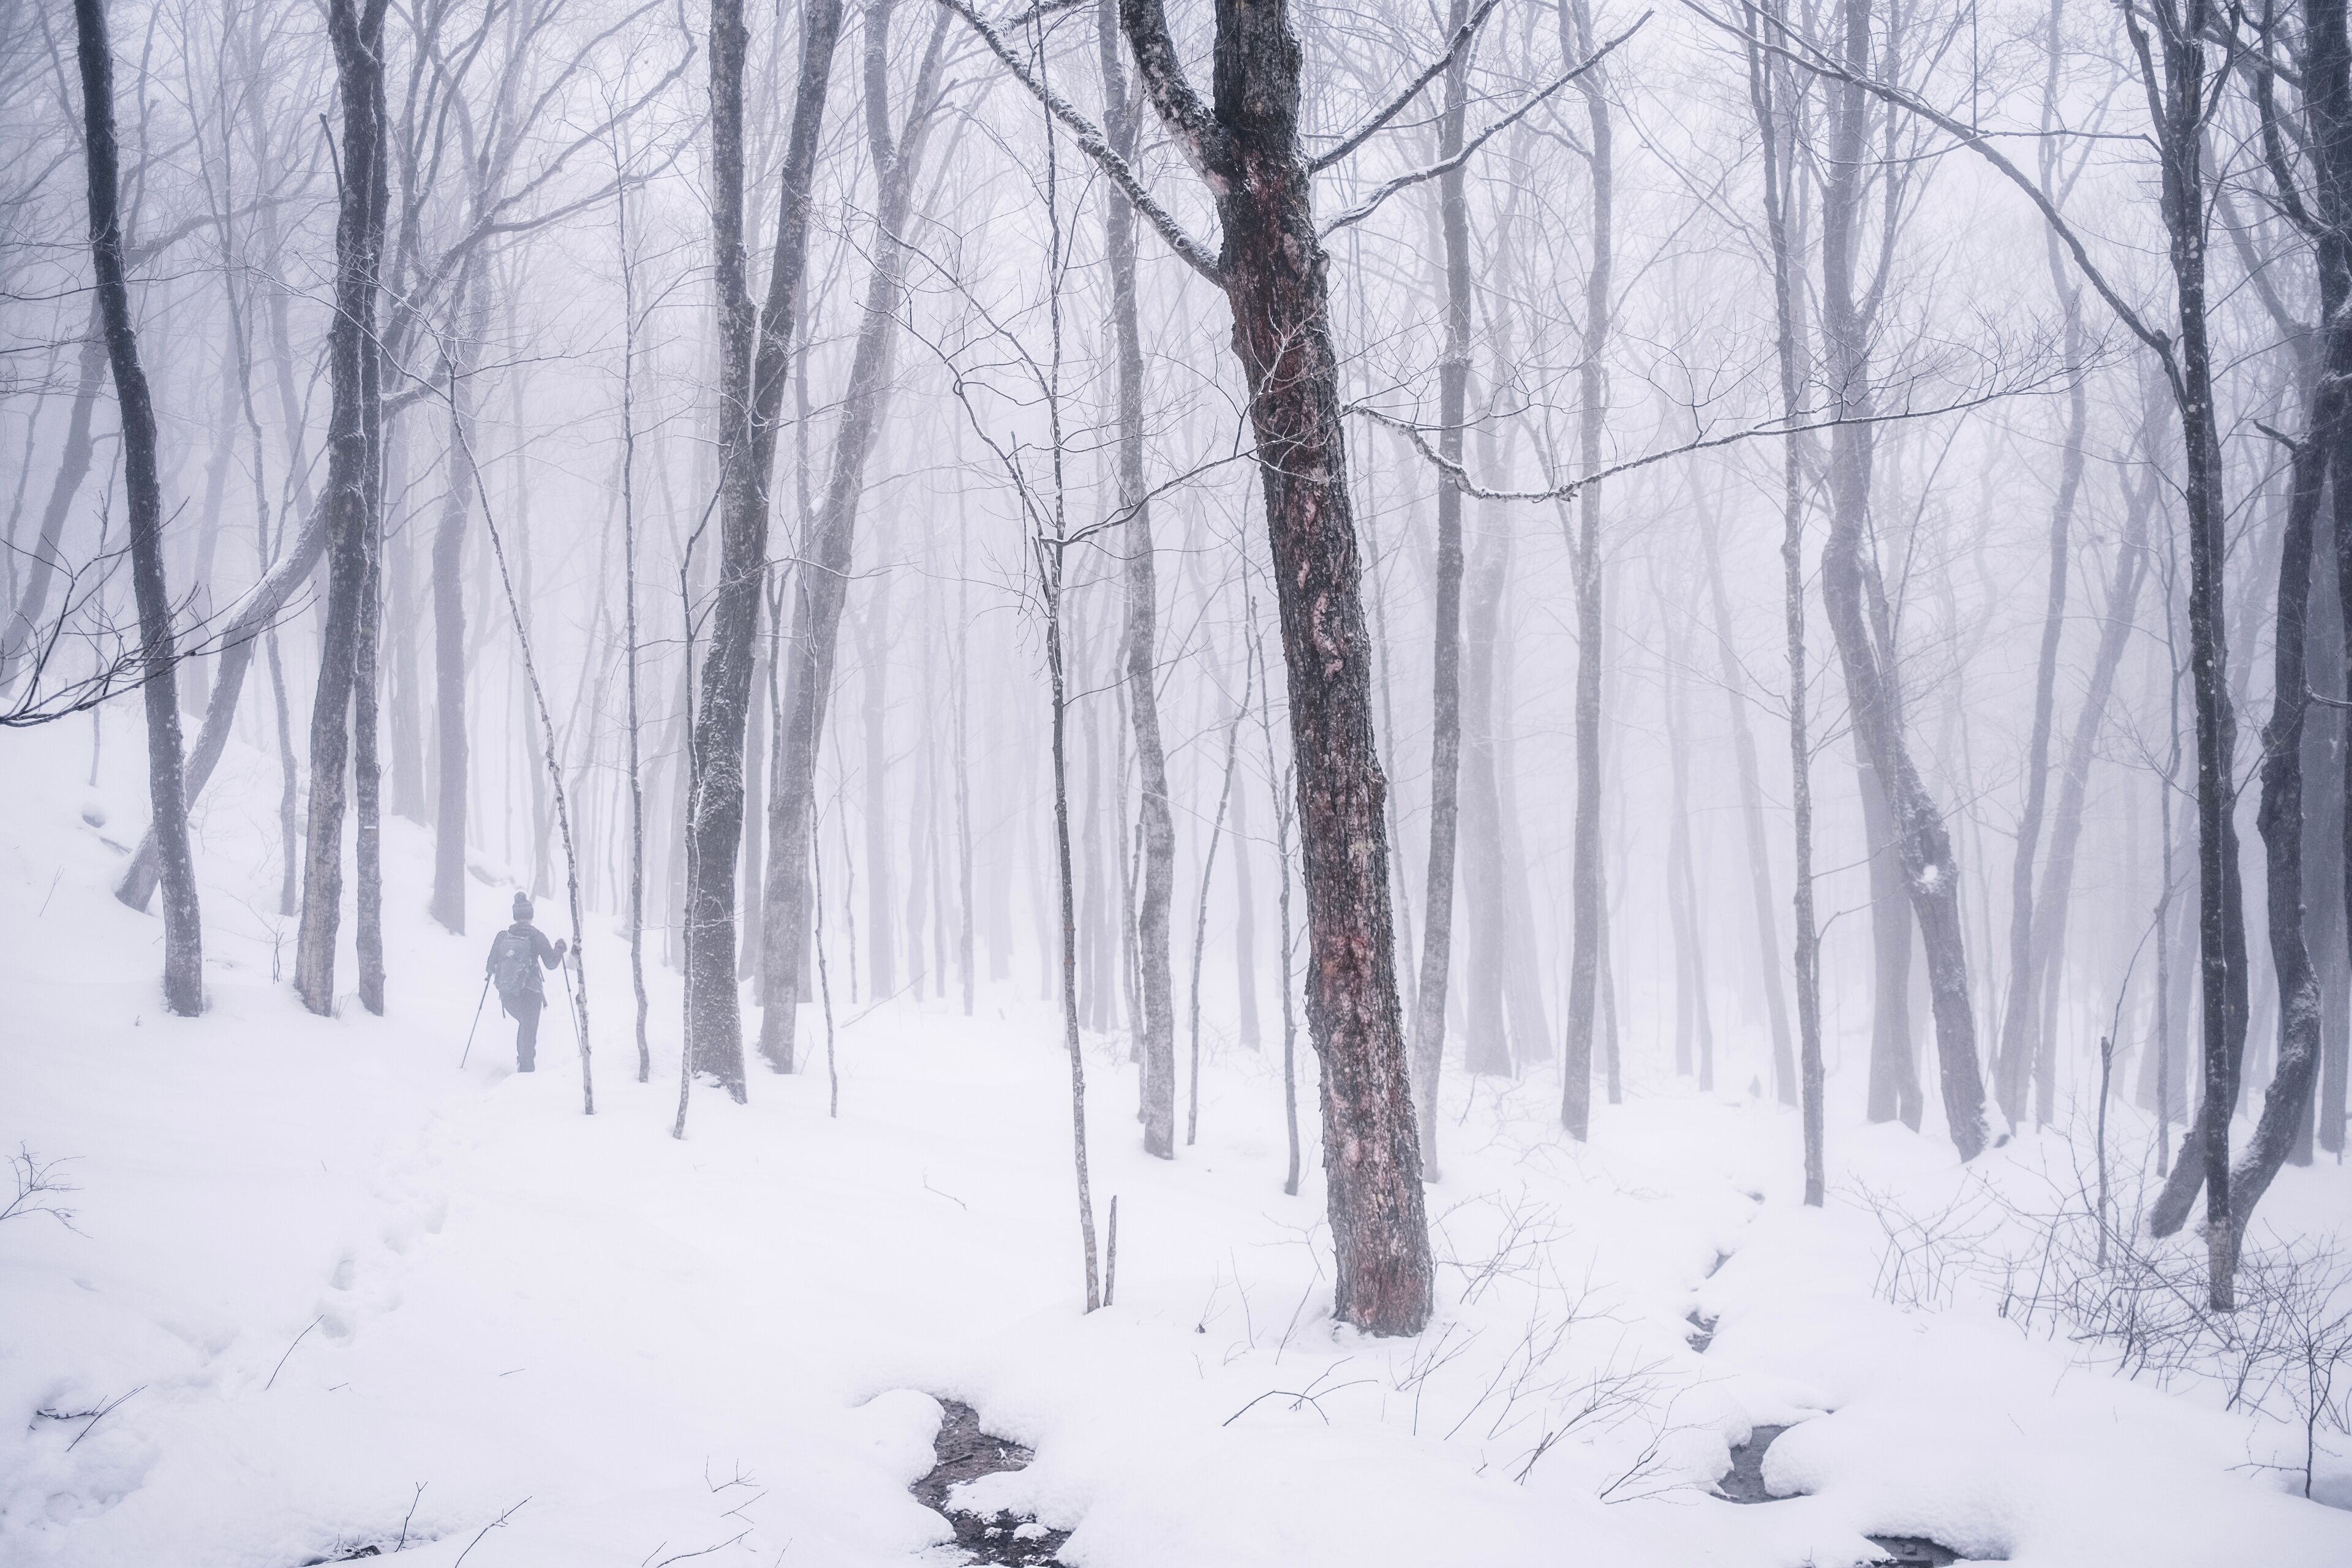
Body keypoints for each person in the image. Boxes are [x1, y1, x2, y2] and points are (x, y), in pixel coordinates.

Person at [485, 892, 567, 1072]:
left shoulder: (503, 936)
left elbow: (490, 967)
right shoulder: (537, 937)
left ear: (515, 917)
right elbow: (551, 964)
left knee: (524, 1025)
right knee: (529, 1031)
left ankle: (523, 1065)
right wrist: (559, 949)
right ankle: (526, 1072)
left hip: (508, 993)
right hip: (531, 992)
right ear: (531, 916)